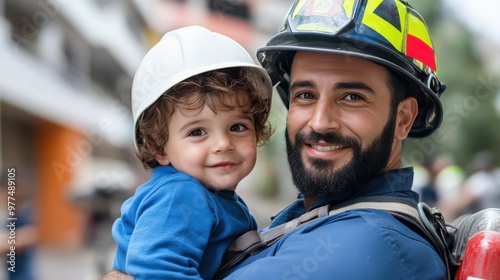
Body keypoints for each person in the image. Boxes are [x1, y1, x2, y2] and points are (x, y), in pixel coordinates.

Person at [104, 0, 450, 279]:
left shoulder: (365, 247)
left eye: (352, 97)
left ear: (403, 118)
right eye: (304, 94)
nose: (320, 121)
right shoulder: (317, 215)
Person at [109, 25, 273, 280]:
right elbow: (159, 272)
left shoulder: (217, 198)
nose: (223, 144)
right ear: (159, 147)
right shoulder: (181, 194)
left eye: (237, 127)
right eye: (197, 132)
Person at [439, 150, 500, 220]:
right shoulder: (497, 174)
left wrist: (442, 210)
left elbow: (461, 202)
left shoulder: (480, 178)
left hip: (487, 221)